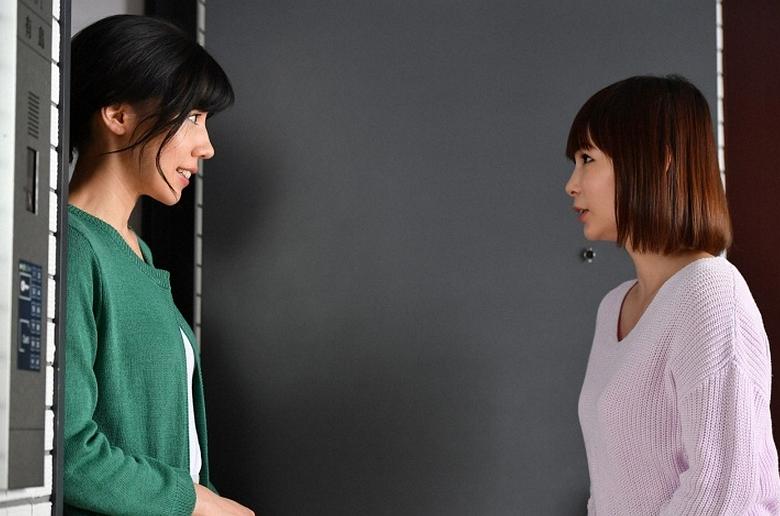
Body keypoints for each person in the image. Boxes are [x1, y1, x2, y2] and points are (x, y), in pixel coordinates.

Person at [565, 75, 780, 514]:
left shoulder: (710, 295)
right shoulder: (614, 306)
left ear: (657, 160)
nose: (572, 184)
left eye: (588, 159)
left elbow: (722, 495)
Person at [65, 15, 252, 515]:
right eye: (192, 117)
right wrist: (197, 503)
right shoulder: (76, 248)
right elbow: (67, 452)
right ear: (117, 114)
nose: (206, 146)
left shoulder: (137, 252)